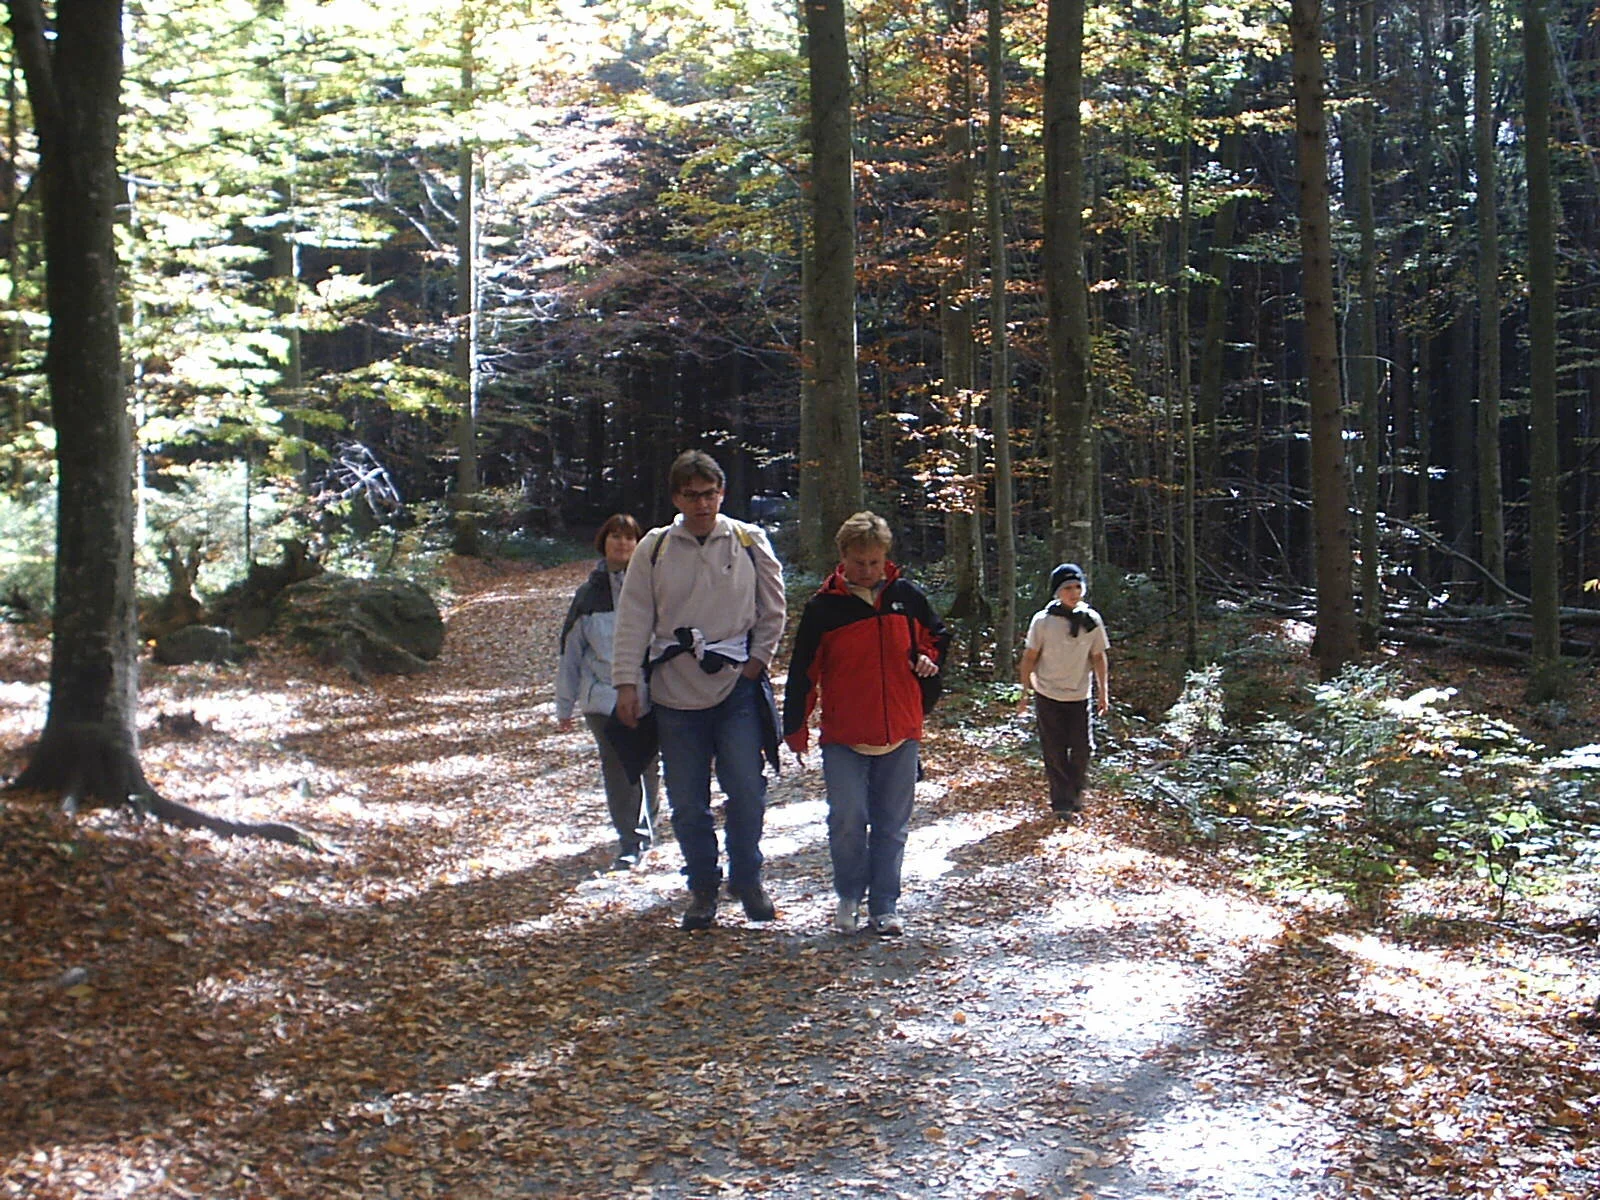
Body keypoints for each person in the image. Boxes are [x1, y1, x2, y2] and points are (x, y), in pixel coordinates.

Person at [611, 450, 787, 930]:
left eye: (710, 494)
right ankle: (703, 888)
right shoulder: (654, 547)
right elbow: (633, 619)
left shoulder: (750, 541)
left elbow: (773, 608)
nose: (702, 503)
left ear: (722, 493)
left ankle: (748, 879)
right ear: (676, 498)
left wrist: (757, 663)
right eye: (692, 495)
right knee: (687, 800)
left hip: (736, 687)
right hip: (673, 691)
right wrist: (626, 681)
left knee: (747, 791)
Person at [784, 511, 949, 936]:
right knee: (847, 819)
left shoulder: (907, 597)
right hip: (844, 734)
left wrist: (928, 659)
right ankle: (849, 896)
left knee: (892, 824)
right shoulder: (824, 608)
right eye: (860, 562)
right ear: (843, 558)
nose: (869, 571)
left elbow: (937, 637)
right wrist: (795, 726)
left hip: (901, 727)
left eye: (876, 562)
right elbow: (804, 670)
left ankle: (885, 904)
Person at [555, 514, 662, 871]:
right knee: (618, 767)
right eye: (615, 537)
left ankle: (647, 829)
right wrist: (564, 706)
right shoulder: (588, 596)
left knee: (647, 764)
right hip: (602, 698)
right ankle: (629, 840)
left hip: (652, 694)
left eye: (629, 538)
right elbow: (571, 652)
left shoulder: (655, 587)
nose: (622, 544)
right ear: (603, 542)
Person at [1016, 562, 1111, 821]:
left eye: (1078, 586)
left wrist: (1104, 692)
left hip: (1079, 695)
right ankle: (1062, 803)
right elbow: (1030, 657)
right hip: (1048, 693)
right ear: (1057, 592)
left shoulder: (1091, 620)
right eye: (1068, 587)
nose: (1074, 592)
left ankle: (1076, 791)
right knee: (1054, 750)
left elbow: (1099, 657)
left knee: (1083, 749)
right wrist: (1024, 693)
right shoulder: (1043, 621)